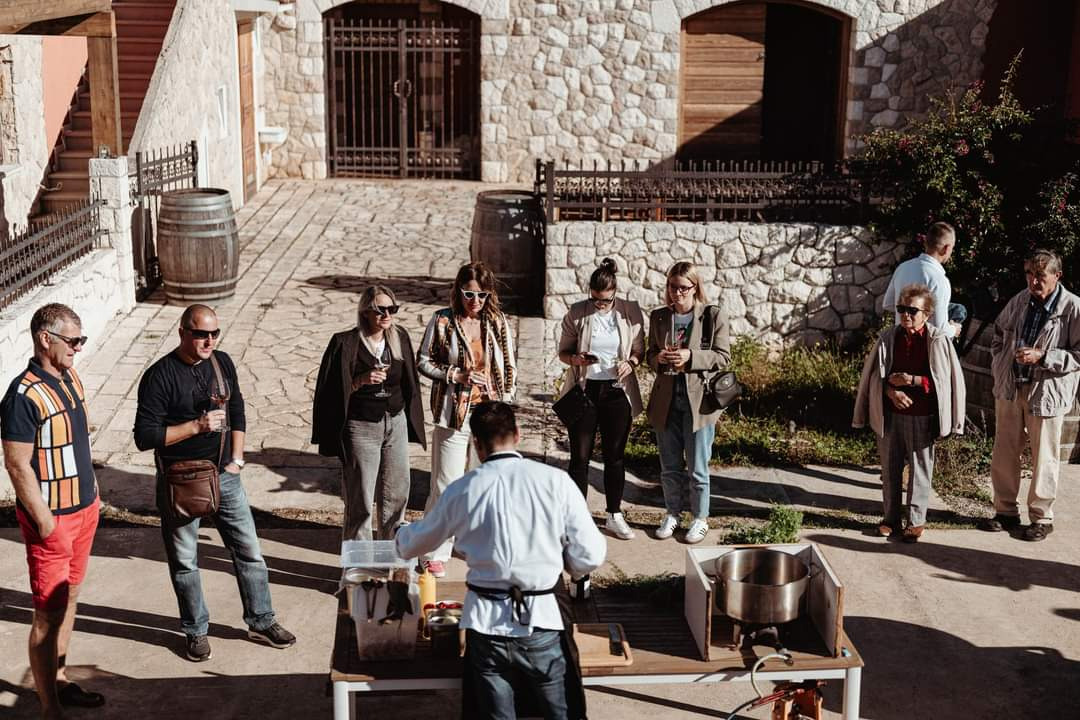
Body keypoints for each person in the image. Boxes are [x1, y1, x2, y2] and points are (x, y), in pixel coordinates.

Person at [396, 402, 606, 720]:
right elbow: (591, 553)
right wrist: (568, 566)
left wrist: (400, 534)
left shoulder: (461, 490)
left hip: (485, 625)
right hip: (542, 620)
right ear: (518, 435)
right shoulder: (556, 482)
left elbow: (413, 544)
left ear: (476, 445)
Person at [133, 304, 295, 661]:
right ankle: (195, 630)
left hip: (225, 476)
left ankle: (261, 619)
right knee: (186, 561)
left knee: (249, 551)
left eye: (214, 333)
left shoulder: (222, 362)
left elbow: (237, 411)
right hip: (182, 480)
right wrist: (196, 427)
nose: (208, 341)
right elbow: (145, 436)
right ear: (182, 333)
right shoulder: (159, 376)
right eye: (200, 334)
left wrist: (237, 459)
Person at [1, 304, 104, 718]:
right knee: (47, 614)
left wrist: (93, 495)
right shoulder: (22, 396)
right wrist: (44, 522)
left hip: (85, 510)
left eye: (80, 340)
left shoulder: (68, 377)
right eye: (73, 340)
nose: (78, 348)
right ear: (46, 339)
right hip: (54, 522)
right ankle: (50, 709)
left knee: (70, 598)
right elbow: (16, 464)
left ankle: (59, 682)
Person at [416, 262, 517, 577]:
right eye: (469, 294)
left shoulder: (497, 322)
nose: (475, 301)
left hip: (487, 416)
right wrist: (454, 374)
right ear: (458, 292)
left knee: (484, 485)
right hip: (453, 414)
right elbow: (424, 360)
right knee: (446, 485)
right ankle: (432, 549)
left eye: (482, 295)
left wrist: (505, 404)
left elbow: (510, 367)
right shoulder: (442, 321)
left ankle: (478, 545)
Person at [312, 285, 426, 542]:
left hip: (394, 421)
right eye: (380, 309)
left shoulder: (399, 338)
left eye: (392, 309)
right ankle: (359, 567)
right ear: (365, 312)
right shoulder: (346, 343)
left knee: (396, 494)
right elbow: (331, 391)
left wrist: (410, 420)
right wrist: (361, 380)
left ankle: (392, 558)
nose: (387, 315)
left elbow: (410, 384)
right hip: (361, 426)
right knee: (360, 499)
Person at [853, 284, 966, 543]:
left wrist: (911, 380)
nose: (905, 315)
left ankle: (915, 522)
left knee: (920, 469)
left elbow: (943, 382)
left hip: (922, 416)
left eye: (912, 311)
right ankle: (890, 519)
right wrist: (891, 392)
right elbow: (874, 378)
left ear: (926, 314)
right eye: (901, 309)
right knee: (890, 468)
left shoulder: (937, 340)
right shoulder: (889, 338)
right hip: (890, 414)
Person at [981, 249, 1080, 541]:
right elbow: (999, 334)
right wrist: (1002, 361)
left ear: (1056, 276)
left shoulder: (1072, 307)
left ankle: (1041, 517)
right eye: (1029, 275)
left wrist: (1043, 356)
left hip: (1046, 392)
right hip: (1011, 388)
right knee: (1004, 451)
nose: (1033, 282)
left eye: (1040, 276)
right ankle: (1005, 512)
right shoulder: (1020, 300)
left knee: (1044, 457)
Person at [556, 258, 646, 541]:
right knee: (579, 457)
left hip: (617, 391)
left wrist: (630, 362)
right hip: (585, 390)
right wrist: (576, 359)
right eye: (595, 300)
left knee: (614, 456)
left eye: (605, 301)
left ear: (615, 293)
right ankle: (577, 518)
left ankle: (614, 514)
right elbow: (563, 352)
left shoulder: (630, 312)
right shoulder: (577, 312)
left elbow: (639, 351)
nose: (600, 305)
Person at [646, 262, 730, 544]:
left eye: (683, 287)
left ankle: (700, 518)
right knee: (668, 465)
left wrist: (690, 357)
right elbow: (649, 355)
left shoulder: (712, 316)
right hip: (666, 398)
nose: (676, 293)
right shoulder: (658, 317)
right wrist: (657, 359)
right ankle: (672, 513)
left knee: (697, 467)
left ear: (695, 288)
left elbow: (723, 357)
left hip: (700, 401)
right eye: (672, 287)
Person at [883, 221, 966, 338]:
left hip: (900, 342)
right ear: (946, 248)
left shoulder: (903, 267)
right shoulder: (939, 280)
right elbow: (939, 330)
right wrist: (954, 329)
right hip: (923, 348)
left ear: (926, 243)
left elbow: (888, 304)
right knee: (960, 311)